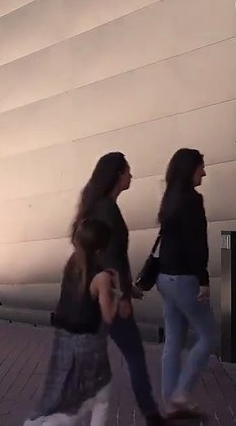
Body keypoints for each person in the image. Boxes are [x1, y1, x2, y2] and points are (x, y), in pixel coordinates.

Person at [72, 153, 169, 426]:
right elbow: (112, 256)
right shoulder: (107, 209)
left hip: (99, 291)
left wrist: (128, 288)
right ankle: (152, 416)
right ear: (116, 175)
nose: (131, 176)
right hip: (109, 296)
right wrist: (123, 295)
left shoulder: (97, 207)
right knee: (134, 355)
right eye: (127, 171)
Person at [25, 219, 119, 425]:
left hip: (64, 340)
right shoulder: (101, 278)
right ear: (100, 250)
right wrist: (118, 292)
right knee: (89, 398)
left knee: (63, 393)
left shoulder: (73, 263)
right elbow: (109, 315)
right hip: (89, 345)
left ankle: (36, 422)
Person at [155, 149, 216, 420]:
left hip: (164, 278)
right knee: (208, 335)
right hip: (184, 279)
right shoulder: (192, 200)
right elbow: (196, 244)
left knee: (174, 340)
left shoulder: (170, 198)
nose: (204, 172)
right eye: (201, 167)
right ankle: (181, 393)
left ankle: (169, 401)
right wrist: (203, 279)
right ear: (190, 169)